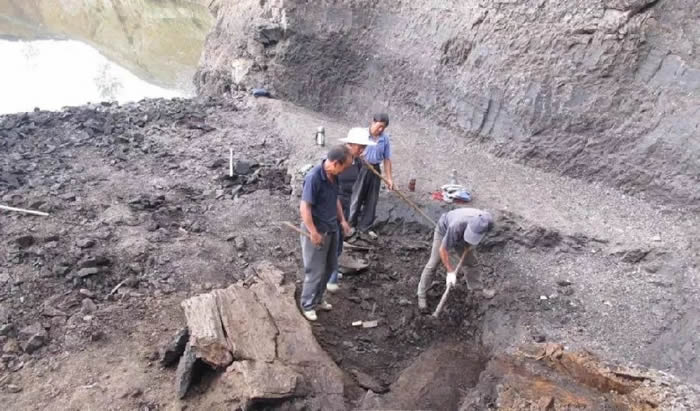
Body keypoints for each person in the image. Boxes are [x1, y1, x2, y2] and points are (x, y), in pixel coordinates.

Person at [299, 145, 353, 321]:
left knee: (330, 267)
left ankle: (318, 298)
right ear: (336, 163)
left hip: (332, 228)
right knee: (315, 270)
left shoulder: (334, 176)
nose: (345, 171)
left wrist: (342, 220)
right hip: (317, 231)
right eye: (344, 167)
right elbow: (305, 207)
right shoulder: (314, 177)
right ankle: (307, 304)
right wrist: (313, 231)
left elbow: (335, 198)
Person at [326, 128, 377, 292]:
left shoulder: (358, 160)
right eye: (360, 146)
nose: (362, 150)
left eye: (364, 147)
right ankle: (330, 277)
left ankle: (334, 269)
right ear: (350, 144)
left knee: (340, 240)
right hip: (334, 202)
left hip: (347, 203)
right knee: (332, 240)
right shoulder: (339, 159)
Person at [417, 208, 494, 311]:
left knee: (471, 263)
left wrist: (471, 244)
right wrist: (450, 271)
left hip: (462, 234)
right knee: (433, 263)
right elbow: (443, 250)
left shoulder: (487, 222)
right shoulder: (456, 225)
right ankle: (421, 295)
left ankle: (477, 290)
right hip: (444, 230)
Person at [348, 113, 394, 238]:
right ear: (373, 122)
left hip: (375, 169)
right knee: (356, 196)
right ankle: (350, 225)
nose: (380, 130)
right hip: (361, 167)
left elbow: (387, 159)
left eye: (383, 128)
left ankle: (365, 227)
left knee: (372, 200)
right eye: (379, 126)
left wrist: (389, 178)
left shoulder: (385, 139)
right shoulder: (361, 134)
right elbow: (350, 149)